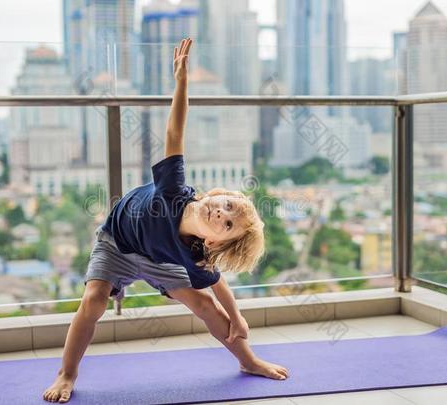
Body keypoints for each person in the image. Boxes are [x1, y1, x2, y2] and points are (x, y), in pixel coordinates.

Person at [43, 37, 289, 403]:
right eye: (226, 205)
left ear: (214, 243)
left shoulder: (196, 255)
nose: (221, 213)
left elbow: (218, 286)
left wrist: (237, 319)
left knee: (206, 306)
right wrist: (182, 82)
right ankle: (67, 373)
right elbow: (175, 132)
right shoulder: (174, 189)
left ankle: (248, 361)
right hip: (119, 242)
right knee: (94, 299)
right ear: (212, 195)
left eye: (227, 223)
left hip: (162, 259)